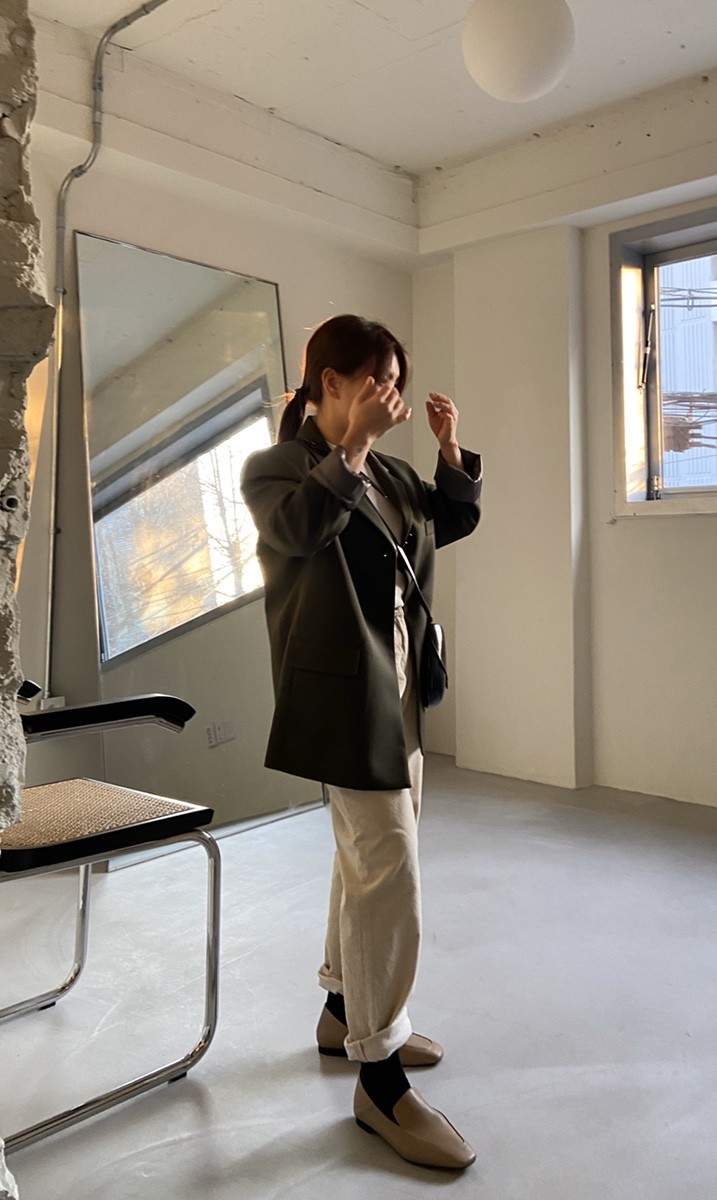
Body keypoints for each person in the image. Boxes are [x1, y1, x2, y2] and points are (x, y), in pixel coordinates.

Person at [240, 314, 482, 1170]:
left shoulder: (389, 469)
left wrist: (448, 452)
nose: (390, 399)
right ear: (330, 384)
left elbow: (444, 524)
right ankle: (378, 1078)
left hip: (401, 686)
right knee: (389, 866)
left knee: (368, 857)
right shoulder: (278, 467)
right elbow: (301, 531)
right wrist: (351, 447)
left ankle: (343, 1010)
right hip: (343, 696)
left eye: (397, 386)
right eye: (377, 381)